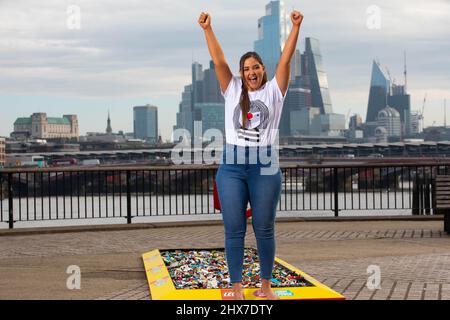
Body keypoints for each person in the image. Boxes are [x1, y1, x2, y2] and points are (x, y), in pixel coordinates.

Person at [198, 10, 303, 300]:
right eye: (246, 68)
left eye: (256, 67)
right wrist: (208, 28)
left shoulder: (273, 92)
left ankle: (266, 288)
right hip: (232, 166)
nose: (251, 72)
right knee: (234, 230)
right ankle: (237, 289)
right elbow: (219, 60)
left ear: (263, 70)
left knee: (264, 228)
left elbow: (286, 59)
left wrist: (295, 26)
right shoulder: (231, 89)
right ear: (241, 73)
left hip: (265, 166)